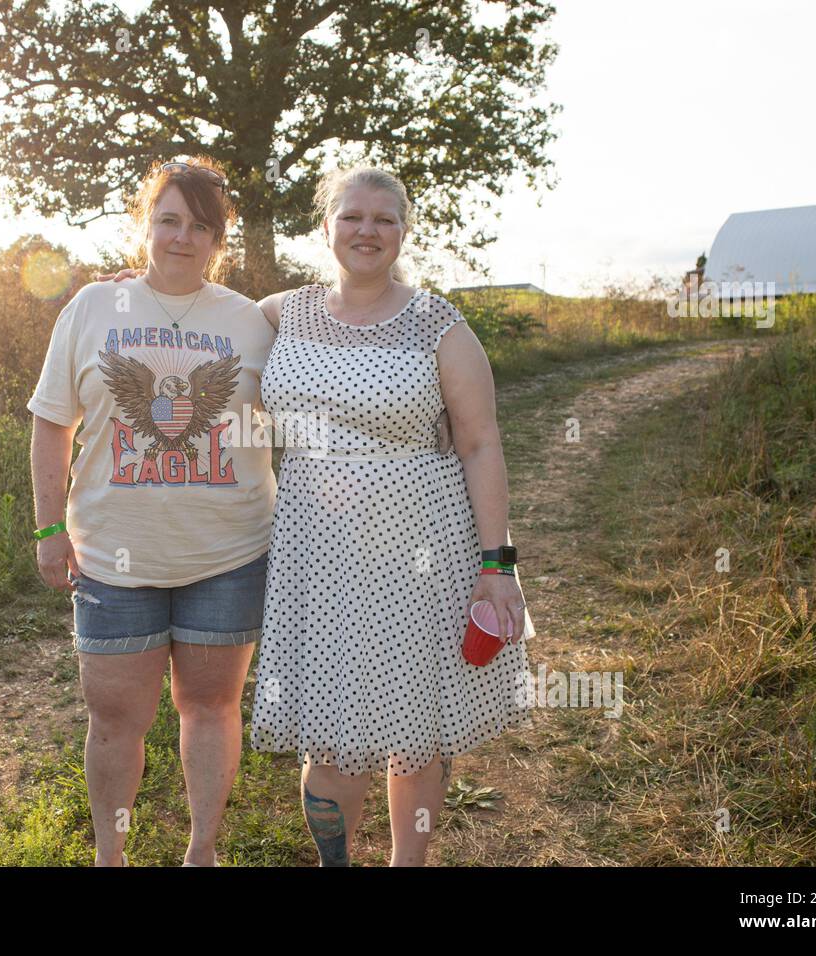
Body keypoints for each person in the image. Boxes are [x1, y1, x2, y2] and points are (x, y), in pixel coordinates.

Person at [248, 165, 536, 867]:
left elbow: (480, 441)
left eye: (384, 219)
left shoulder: (437, 323)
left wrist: (497, 565)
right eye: (352, 217)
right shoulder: (278, 313)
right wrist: (133, 286)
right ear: (327, 227)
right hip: (317, 546)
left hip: (420, 544)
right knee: (330, 725)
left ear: (404, 232)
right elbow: (194, 324)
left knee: (413, 725)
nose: (366, 231)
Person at [28, 157, 277, 867]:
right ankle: (113, 857)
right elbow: (52, 424)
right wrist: (49, 529)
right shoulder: (92, 309)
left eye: (201, 226)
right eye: (168, 220)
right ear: (145, 224)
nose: (182, 238)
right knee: (116, 720)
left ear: (219, 239)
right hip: (112, 557)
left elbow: (333, 354)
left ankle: (203, 852)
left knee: (210, 708)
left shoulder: (252, 321)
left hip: (227, 556)